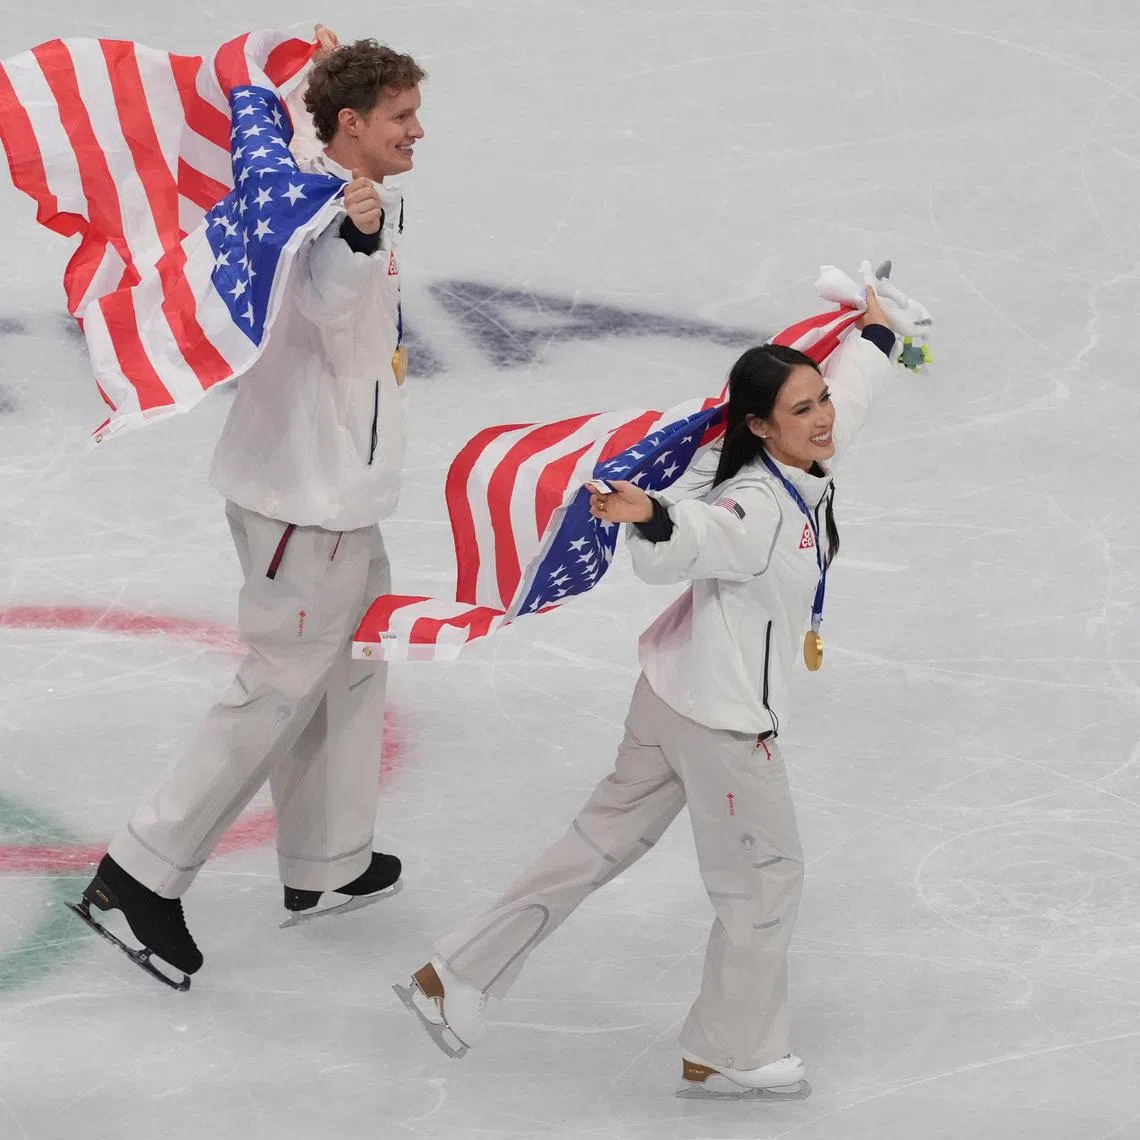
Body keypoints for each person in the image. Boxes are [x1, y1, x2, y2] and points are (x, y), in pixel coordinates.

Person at [399, 288, 898, 1095]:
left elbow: (854, 398)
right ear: (761, 426)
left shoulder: (785, 459)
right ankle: (731, 1048)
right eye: (803, 408)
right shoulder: (758, 502)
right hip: (723, 724)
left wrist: (875, 333)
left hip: (668, 696)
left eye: (823, 398)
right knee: (765, 883)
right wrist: (656, 518)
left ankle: (454, 972)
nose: (825, 418)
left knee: (597, 843)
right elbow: (706, 536)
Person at [72, 29, 427, 987]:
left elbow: (292, 130)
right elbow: (326, 286)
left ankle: (327, 862)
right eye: (400, 117)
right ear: (351, 124)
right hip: (304, 508)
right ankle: (140, 872)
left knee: (350, 667)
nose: (418, 131)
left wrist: (306, 64)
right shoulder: (322, 216)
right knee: (277, 685)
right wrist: (357, 232)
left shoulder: (317, 163)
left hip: (332, 492)